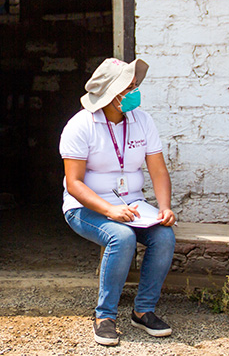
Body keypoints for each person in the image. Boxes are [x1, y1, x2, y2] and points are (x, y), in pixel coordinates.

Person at [59, 58, 176, 346]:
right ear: (112, 94)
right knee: (122, 237)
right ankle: (105, 316)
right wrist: (109, 210)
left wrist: (164, 207)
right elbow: (74, 183)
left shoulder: (142, 120)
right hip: (86, 207)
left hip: (134, 204)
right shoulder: (81, 125)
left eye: (136, 85)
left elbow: (158, 170)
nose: (136, 91)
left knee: (164, 235)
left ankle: (143, 310)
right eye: (130, 87)